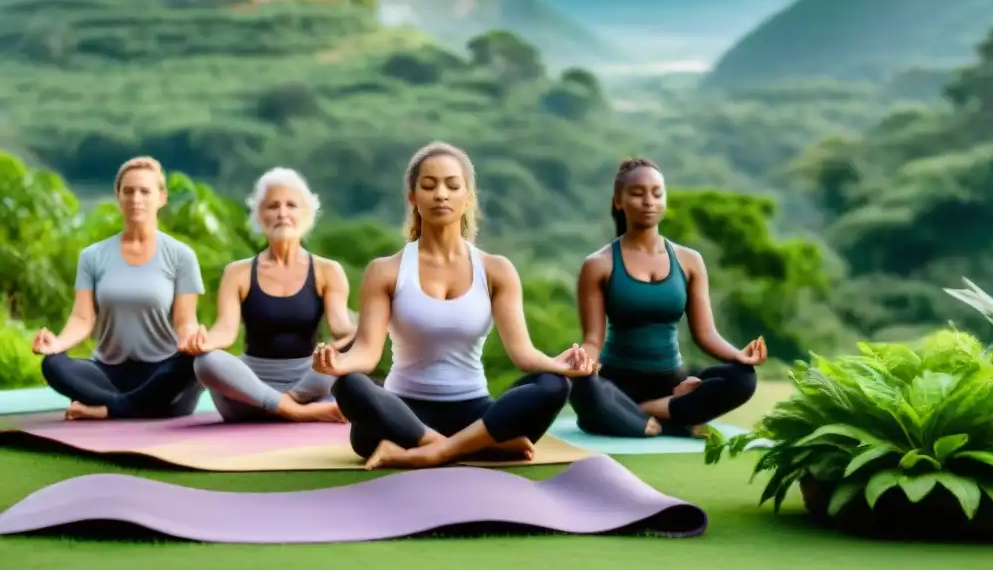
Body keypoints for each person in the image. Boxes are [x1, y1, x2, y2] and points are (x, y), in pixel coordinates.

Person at [312, 141, 595, 470]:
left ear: (468, 197)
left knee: (552, 386)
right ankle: (468, 447)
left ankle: (435, 452)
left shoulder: (496, 270)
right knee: (350, 385)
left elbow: (523, 355)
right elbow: (367, 353)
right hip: (401, 417)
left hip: (474, 413)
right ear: (412, 198)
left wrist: (557, 365)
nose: (441, 194)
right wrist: (338, 363)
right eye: (428, 186)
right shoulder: (385, 270)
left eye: (452, 185)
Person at [568, 157, 766, 439]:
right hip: (616, 383)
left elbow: (706, 333)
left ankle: (642, 412)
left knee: (743, 379)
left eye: (657, 193)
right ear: (618, 202)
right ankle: (672, 417)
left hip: (671, 384)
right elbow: (593, 340)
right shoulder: (598, 264)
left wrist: (740, 356)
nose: (649, 201)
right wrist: (580, 365)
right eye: (637, 193)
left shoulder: (689, 261)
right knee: (581, 386)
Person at [32, 156, 206, 421]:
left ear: (161, 198)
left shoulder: (181, 256)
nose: (136, 198)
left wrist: (193, 341)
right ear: (118, 197)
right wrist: (56, 343)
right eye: (129, 191)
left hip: (161, 371)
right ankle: (136, 406)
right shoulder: (92, 256)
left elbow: (185, 321)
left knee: (194, 364)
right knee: (53, 364)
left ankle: (106, 409)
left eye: (145, 191)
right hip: (107, 373)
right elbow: (82, 318)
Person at [180, 168, 354, 423]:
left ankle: (284, 403)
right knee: (206, 363)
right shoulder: (237, 272)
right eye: (273, 206)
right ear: (260, 216)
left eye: (291, 205)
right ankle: (291, 410)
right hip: (249, 385)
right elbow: (225, 332)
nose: (282, 213)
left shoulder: (328, 271)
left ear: (307, 213)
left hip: (306, 382)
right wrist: (201, 343)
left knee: (352, 354)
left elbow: (342, 328)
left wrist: (364, 330)